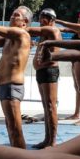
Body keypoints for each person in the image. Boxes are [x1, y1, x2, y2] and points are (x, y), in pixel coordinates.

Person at [0, 6, 33, 148]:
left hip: (12, 88)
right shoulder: (9, 38)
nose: (12, 17)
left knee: (15, 130)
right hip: (5, 87)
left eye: (16, 15)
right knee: (11, 128)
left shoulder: (22, 34)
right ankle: (15, 157)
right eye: (12, 14)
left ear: (24, 22)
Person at [31, 8, 63, 149]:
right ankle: (47, 139)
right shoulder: (44, 33)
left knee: (50, 106)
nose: (40, 20)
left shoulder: (52, 30)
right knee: (45, 106)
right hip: (42, 72)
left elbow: (52, 57)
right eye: (40, 17)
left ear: (51, 20)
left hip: (50, 71)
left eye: (43, 18)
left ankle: (53, 141)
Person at [56, 12, 80, 124]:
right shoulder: (79, 30)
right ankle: (77, 113)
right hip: (75, 61)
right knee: (77, 89)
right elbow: (65, 29)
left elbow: (66, 25)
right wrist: (52, 28)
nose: (77, 19)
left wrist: (56, 20)